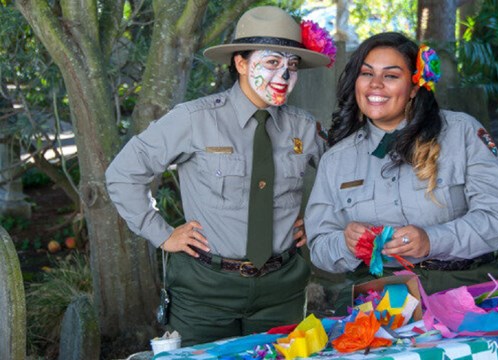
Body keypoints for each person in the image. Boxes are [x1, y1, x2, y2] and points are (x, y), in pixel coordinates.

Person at [105, 6, 335, 345]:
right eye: (272, 62)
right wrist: (162, 234)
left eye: (292, 65)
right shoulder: (194, 120)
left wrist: (319, 220)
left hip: (281, 289)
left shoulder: (303, 126)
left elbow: (343, 181)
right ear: (241, 64)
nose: (284, 75)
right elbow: (123, 173)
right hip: (205, 292)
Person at [304, 32, 498, 314]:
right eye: (366, 73)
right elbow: (320, 245)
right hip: (382, 296)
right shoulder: (336, 160)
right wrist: (345, 243)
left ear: (415, 86)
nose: (375, 85)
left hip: (466, 286)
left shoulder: (462, 133)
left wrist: (431, 240)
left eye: (391, 76)